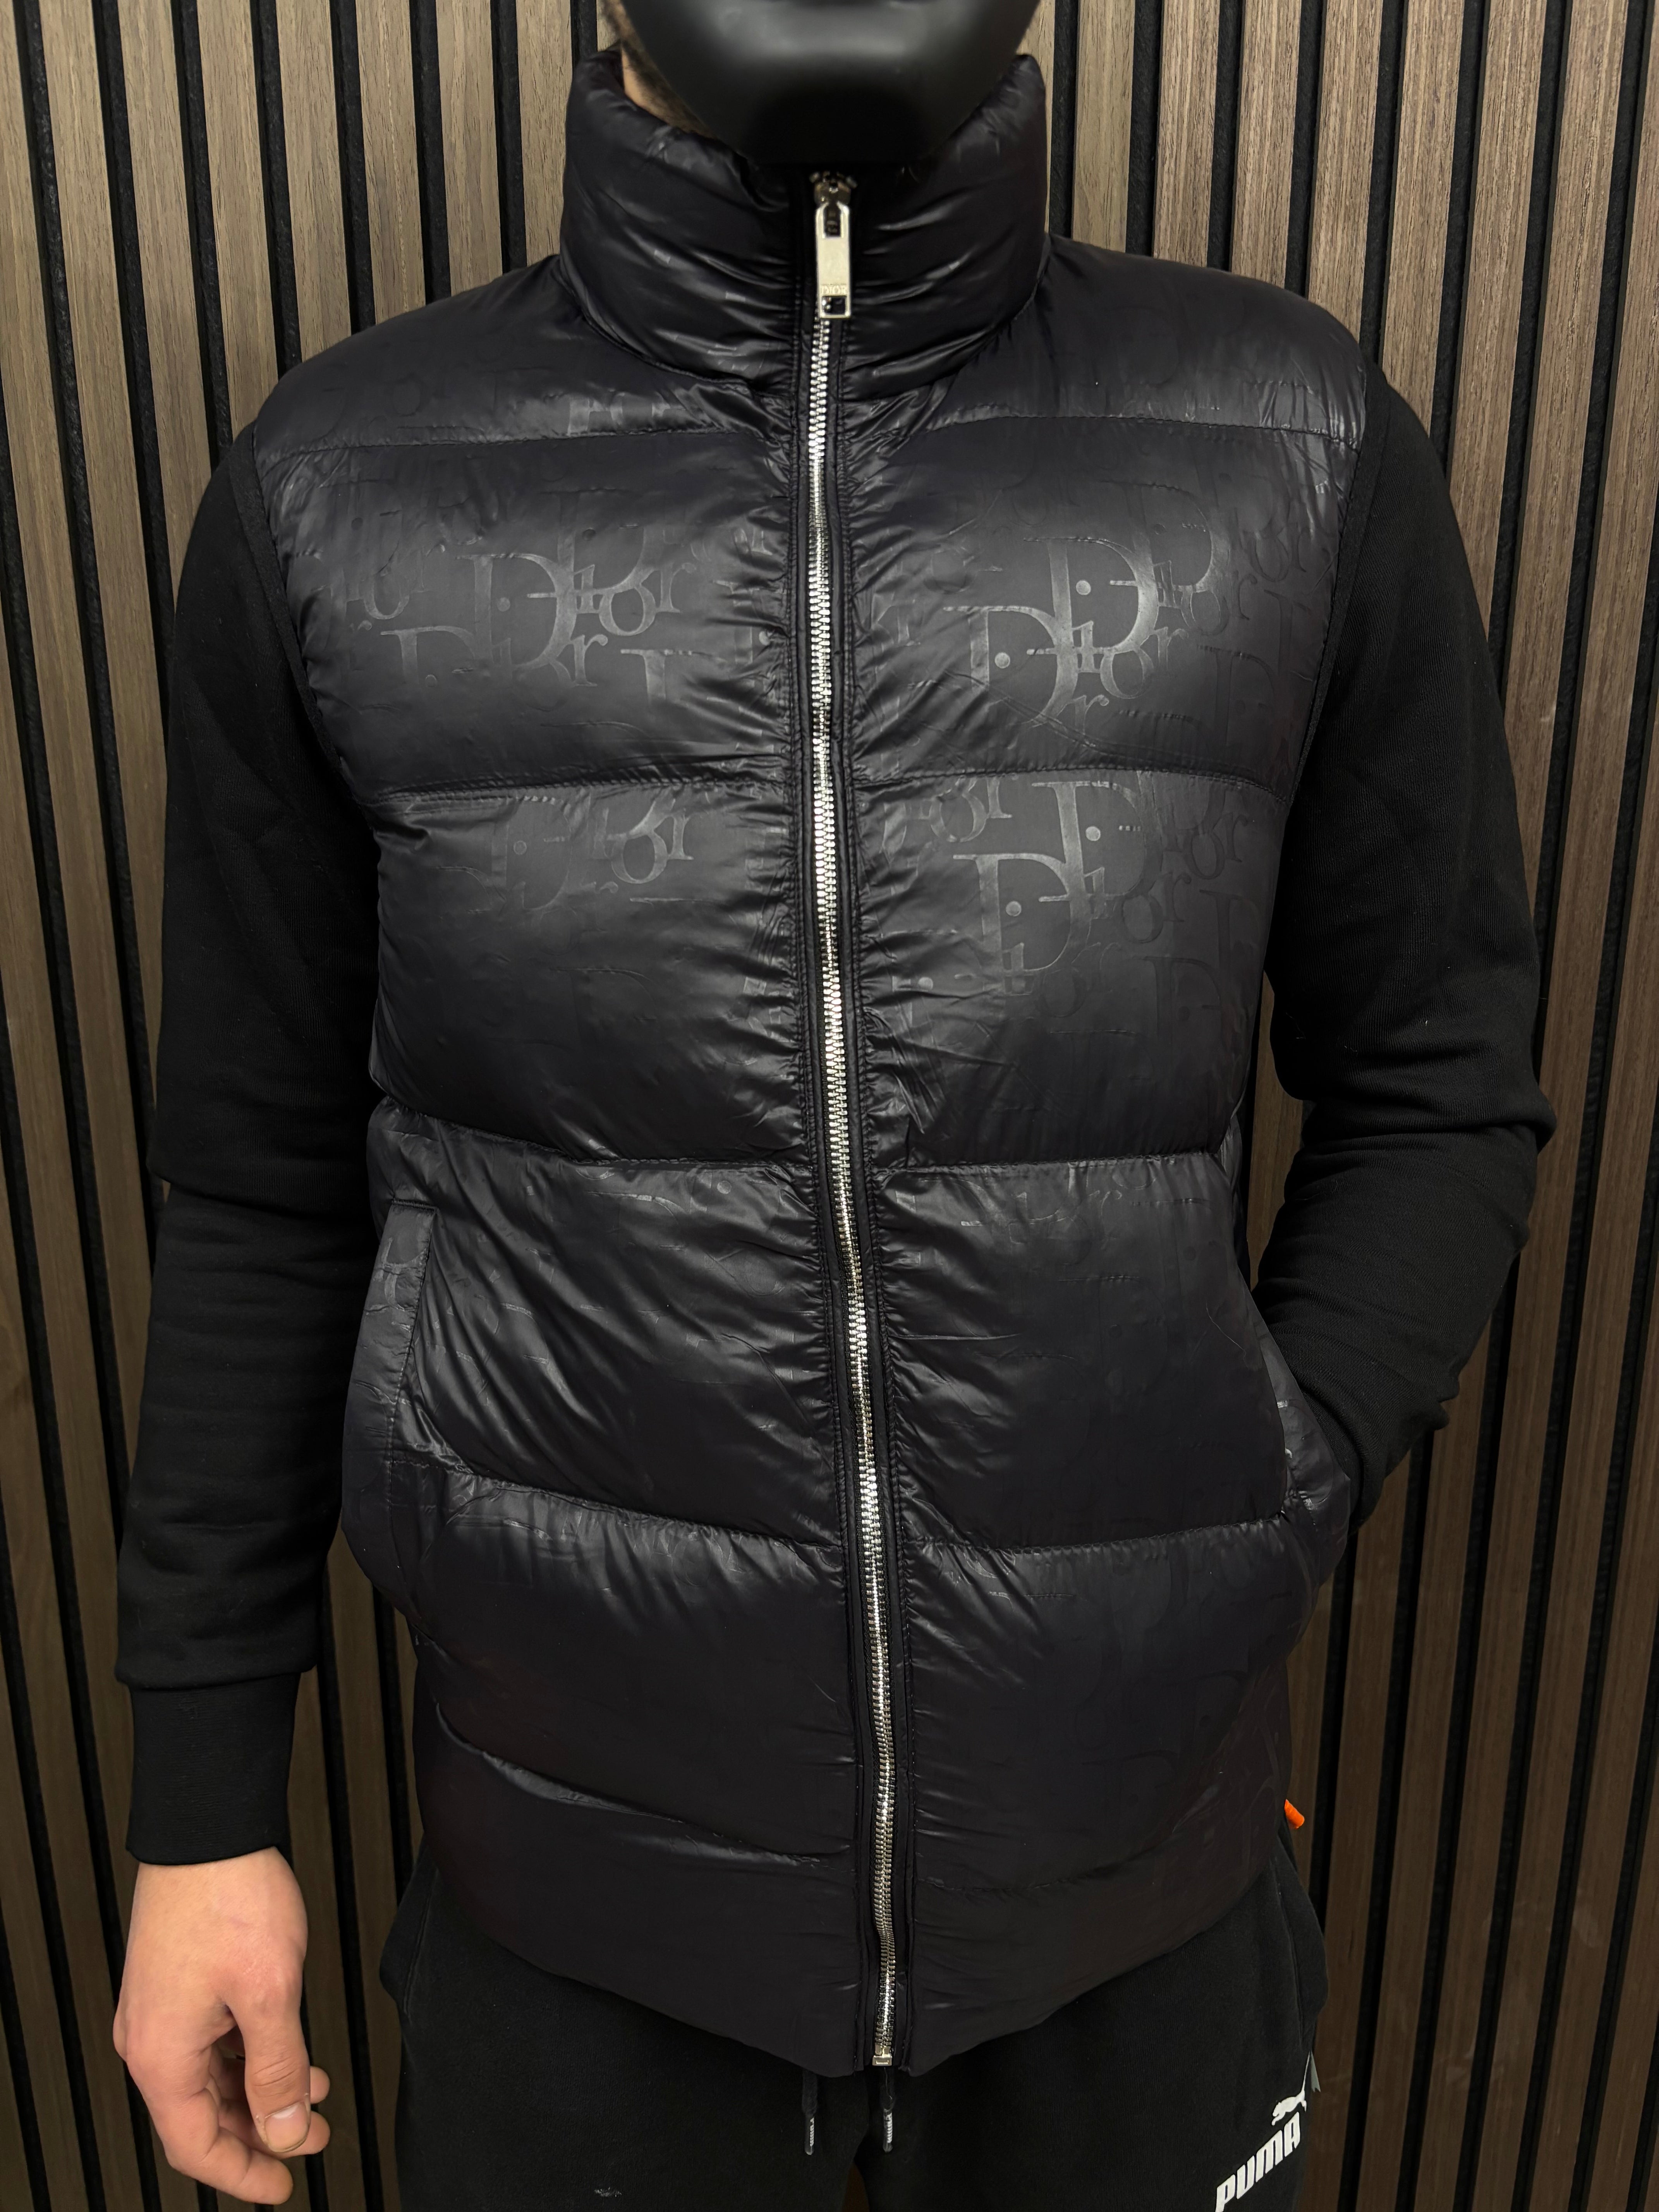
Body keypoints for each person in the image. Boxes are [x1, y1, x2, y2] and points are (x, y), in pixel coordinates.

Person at [111, 0, 1556, 2204]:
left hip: (1133, 1921)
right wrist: (201, 1806)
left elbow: (1440, 1083)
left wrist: (1269, 1475)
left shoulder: (1286, 441)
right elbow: (257, 1192)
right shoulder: (345, 486)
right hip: (577, 1929)